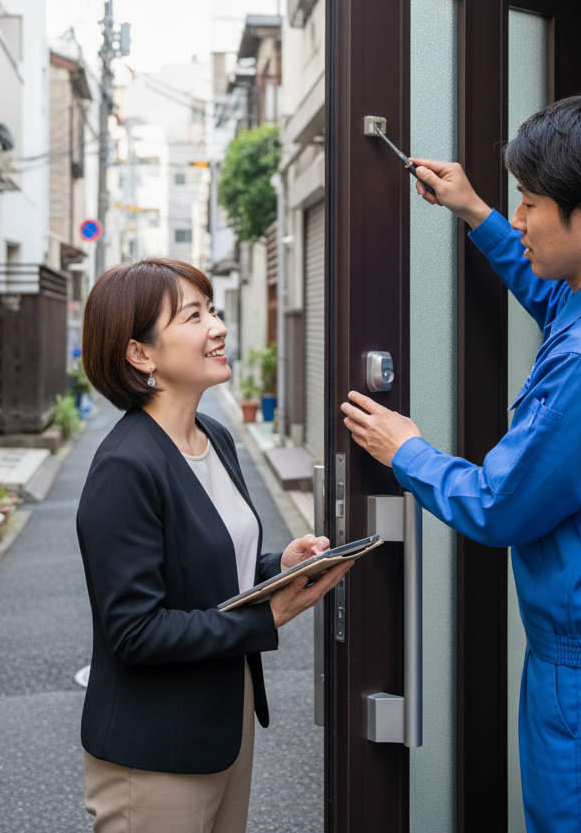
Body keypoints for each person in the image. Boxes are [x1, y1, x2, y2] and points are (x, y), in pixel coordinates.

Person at [341, 94, 581, 833]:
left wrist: (406, 451)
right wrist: (474, 212)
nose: (517, 217)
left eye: (530, 203)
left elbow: (500, 504)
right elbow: (565, 304)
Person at [77, 258, 351, 833]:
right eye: (194, 316)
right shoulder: (125, 467)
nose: (219, 327)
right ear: (140, 354)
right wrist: (269, 615)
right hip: (155, 753)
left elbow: (211, 570)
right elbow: (134, 631)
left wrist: (280, 567)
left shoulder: (215, 437)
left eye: (214, 310)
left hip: (225, 724)